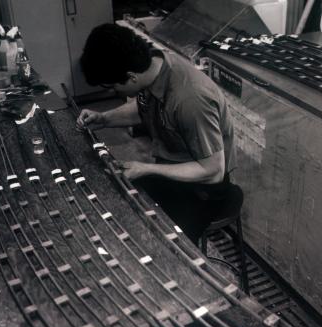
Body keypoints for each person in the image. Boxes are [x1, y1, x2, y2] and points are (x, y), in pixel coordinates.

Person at [77, 23, 236, 245]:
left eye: (113, 88)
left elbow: (213, 171)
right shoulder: (153, 66)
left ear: (131, 77)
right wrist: (104, 119)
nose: (113, 93)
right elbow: (145, 108)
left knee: (160, 244)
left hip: (203, 187)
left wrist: (146, 168)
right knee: (115, 205)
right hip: (171, 166)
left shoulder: (190, 100)